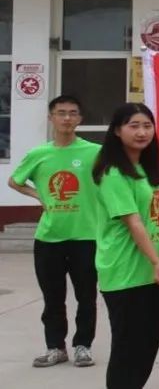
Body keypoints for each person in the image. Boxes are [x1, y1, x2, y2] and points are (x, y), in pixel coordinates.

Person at [92, 102, 159, 389]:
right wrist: (156, 262)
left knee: (145, 349)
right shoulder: (113, 172)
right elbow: (134, 222)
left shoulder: (143, 169)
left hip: (152, 274)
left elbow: (151, 211)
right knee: (128, 351)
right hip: (128, 272)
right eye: (133, 126)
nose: (141, 132)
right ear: (116, 131)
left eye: (147, 126)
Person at [7, 95, 102, 369]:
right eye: (61, 113)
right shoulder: (39, 154)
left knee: (87, 297)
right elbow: (14, 181)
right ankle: (55, 347)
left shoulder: (95, 152)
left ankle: (83, 346)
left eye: (73, 113)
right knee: (53, 298)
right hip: (49, 238)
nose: (67, 118)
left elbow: (112, 181)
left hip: (87, 236)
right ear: (51, 118)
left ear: (80, 119)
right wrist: (39, 195)